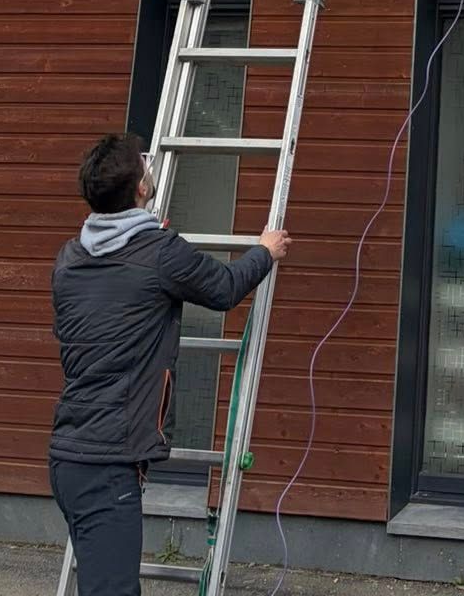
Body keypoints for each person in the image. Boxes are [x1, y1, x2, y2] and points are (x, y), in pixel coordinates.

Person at [50, 131, 290, 596]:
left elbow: (115, 302)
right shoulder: (159, 252)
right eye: (144, 165)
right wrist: (265, 251)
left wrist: (159, 249)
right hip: (108, 463)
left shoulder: (69, 258)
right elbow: (222, 289)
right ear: (139, 188)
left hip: (68, 457)